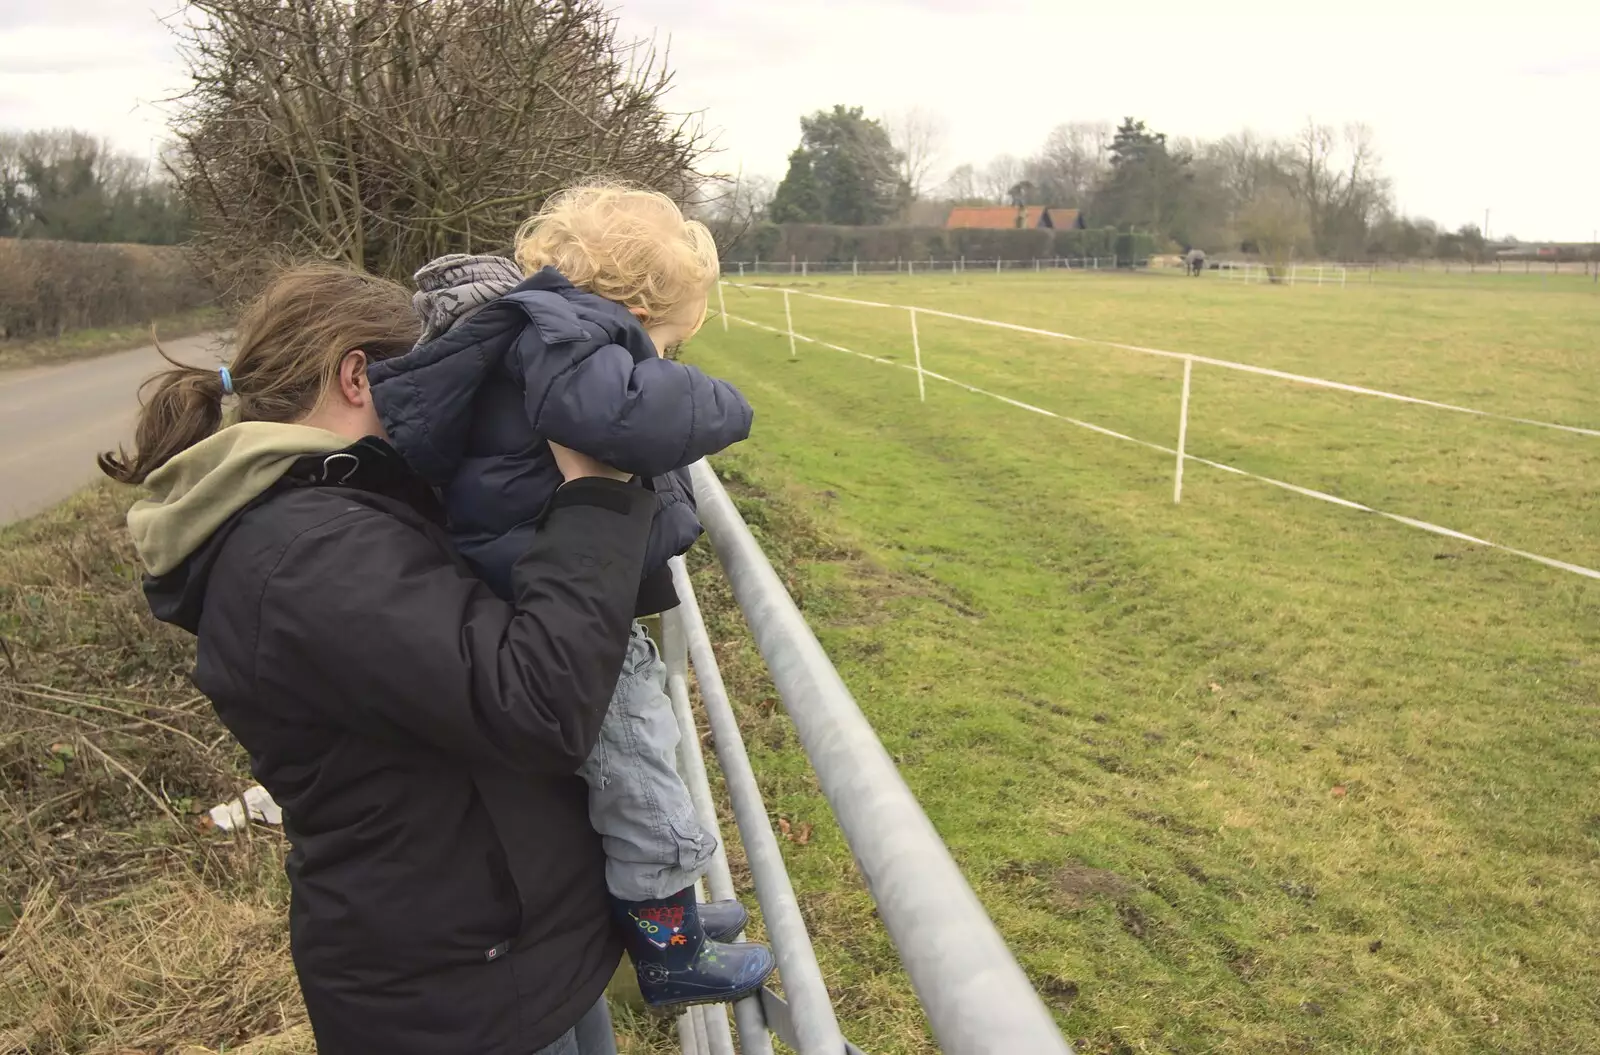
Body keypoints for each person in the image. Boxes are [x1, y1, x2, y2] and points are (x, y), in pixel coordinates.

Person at [100, 264, 652, 1054]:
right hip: (456, 998)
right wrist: (595, 492)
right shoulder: (310, 551)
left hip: (497, 960)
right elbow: (535, 704)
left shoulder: (336, 515)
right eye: (440, 379)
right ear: (359, 375)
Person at [368, 182, 775, 1009]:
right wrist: (723, 401)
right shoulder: (571, 337)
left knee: (639, 756)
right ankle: (669, 957)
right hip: (549, 591)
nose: (666, 364)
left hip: (546, 580)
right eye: (668, 346)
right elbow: (620, 416)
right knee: (641, 771)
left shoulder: (558, 331)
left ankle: (668, 913)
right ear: (633, 307)